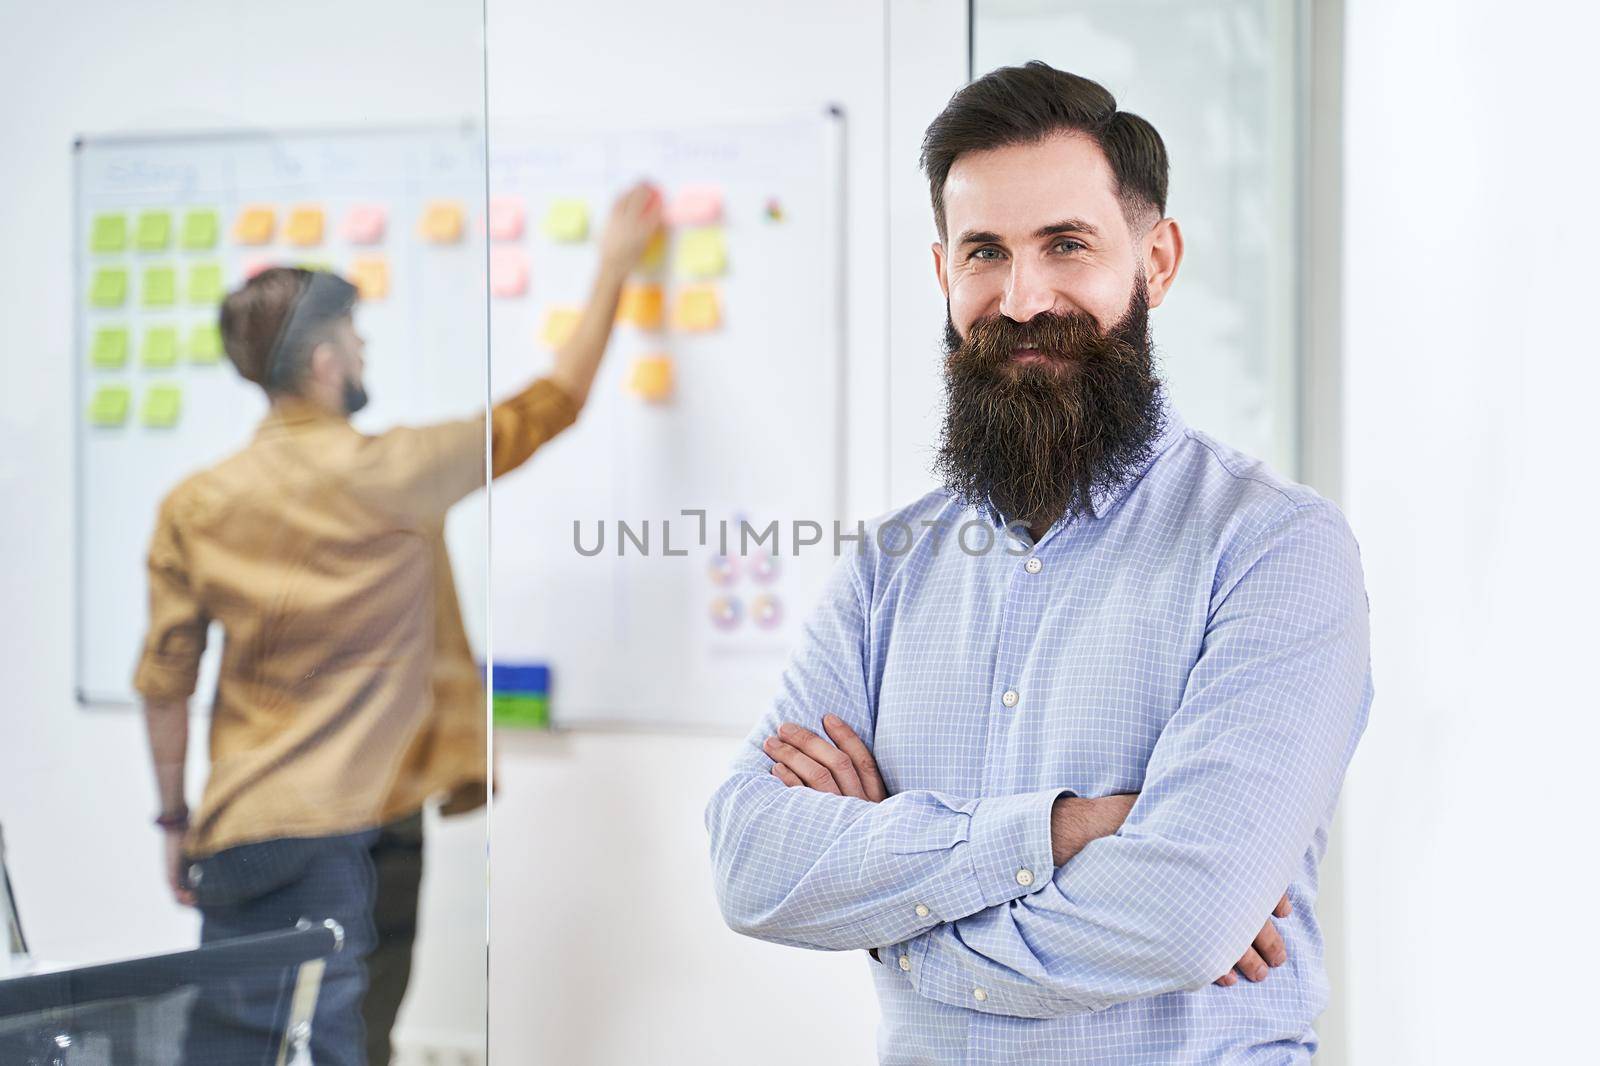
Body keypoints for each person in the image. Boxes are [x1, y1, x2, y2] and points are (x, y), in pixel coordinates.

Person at [706, 63, 1371, 1064]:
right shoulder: (888, 570)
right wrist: (1061, 834)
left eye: (1066, 244)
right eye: (984, 252)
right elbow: (751, 861)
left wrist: (894, 918)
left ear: (1156, 260)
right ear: (943, 275)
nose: (1022, 299)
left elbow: (1183, 915)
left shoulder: (1273, 547)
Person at [135, 182, 663, 1065]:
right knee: (352, 1048)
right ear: (323, 363)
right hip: (363, 825)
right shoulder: (398, 470)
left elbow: (164, 684)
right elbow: (555, 400)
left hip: (243, 828)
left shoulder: (196, 503)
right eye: (352, 336)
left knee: (224, 1052)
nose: (363, 347)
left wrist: (172, 821)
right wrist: (613, 261)